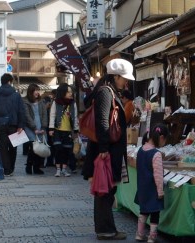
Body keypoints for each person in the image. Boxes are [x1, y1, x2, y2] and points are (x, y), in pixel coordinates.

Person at [82, 58, 133, 240]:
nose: (126, 81)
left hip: (108, 149)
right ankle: (105, 230)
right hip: (106, 151)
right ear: (116, 76)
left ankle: (107, 228)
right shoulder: (105, 92)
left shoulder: (109, 91)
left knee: (107, 191)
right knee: (104, 191)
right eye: (124, 78)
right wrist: (103, 149)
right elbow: (102, 121)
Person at [135, 124, 169, 243]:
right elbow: (158, 176)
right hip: (153, 189)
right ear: (161, 138)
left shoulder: (140, 150)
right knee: (155, 213)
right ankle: (152, 237)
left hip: (142, 188)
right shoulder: (156, 154)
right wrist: (160, 191)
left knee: (143, 211)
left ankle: (139, 234)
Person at [0, 73, 27, 176]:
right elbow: (21, 111)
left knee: (3, 147)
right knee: (13, 147)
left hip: (1, 124)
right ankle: (11, 168)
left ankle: (6, 169)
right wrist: (21, 125)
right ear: (10, 82)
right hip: (14, 124)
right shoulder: (16, 95)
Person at [48, 83, 78, 177]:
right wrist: (51, 128)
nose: (70, 93)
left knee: (66, 150)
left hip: (68, 130)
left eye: (71, 92)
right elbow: (52, 115)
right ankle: (57, 169)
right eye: (68, 92)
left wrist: (76, 130)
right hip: (57, 129)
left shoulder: (73, 104)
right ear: (62, 92)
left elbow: (75, 117)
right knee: (58, 149)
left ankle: (64, 169)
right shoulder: (56, 103)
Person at [23, 84, 48, 175]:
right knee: (33, 147)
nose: (37, 92)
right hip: (30, 127)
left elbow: (45, 115)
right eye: (35, 90)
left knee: (40, 147)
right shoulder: (25, 102)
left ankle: (37, 167)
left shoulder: (41, 101)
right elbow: (27, 116)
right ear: (30, 91)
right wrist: (34, 128)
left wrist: (44, 127)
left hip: (40, 126)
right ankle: (29, 166)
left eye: (38, 90)